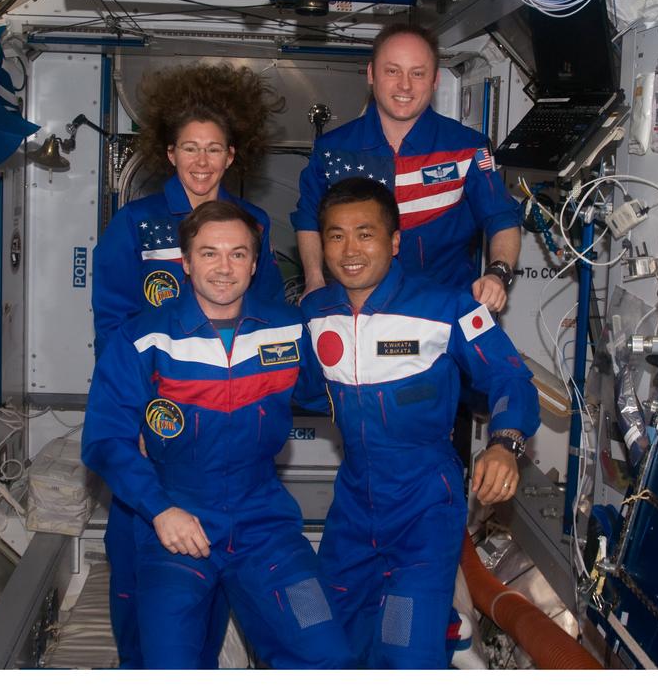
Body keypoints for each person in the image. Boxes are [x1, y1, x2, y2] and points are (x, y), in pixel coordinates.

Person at [83, 201, 350, 669]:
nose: (224, 268)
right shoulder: (144, 339)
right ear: (186, 263)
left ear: (255, 262)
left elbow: (332, 391)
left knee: (326, 652)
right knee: (169, 668)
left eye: (238, 254)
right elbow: (105, 440)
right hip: (176, 524)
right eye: (209, 253)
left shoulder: (287, 331)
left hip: (264, 524)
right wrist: (159, 510)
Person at [89, 62, 284, 667]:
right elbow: (111, 332)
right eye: (190, 148)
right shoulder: (134, 225)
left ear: (232, 156)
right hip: (154, 436)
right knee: (138, 600)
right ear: (170, 153)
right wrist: (138, 429)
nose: (202, 162)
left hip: (220, 446)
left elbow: (273, 329)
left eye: (215, 149)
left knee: (201, 609)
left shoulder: (253, 228)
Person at [301, 177, 540, 668]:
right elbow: (286, 388)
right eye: (335, 235)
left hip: (424, 503)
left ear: (393, 241)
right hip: (353, 501)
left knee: (402, 647)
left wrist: (504, 444)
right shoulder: (313, 313)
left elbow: (510, 379)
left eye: (365, 234)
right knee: (328, 644)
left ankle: (434, 634)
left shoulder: (448, 308)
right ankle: (446, 629)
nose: (349, 249)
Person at [292, 23, 521, 310]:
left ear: (435, 80)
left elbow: (502, 218)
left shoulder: (467, 147)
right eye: (392, 71)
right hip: (354, 310)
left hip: (445, 309)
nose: (405, 85)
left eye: (417, 73)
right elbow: (308, 219)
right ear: (372, 74)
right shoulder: (333, 149)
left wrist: (497, 275)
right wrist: (314, 280)